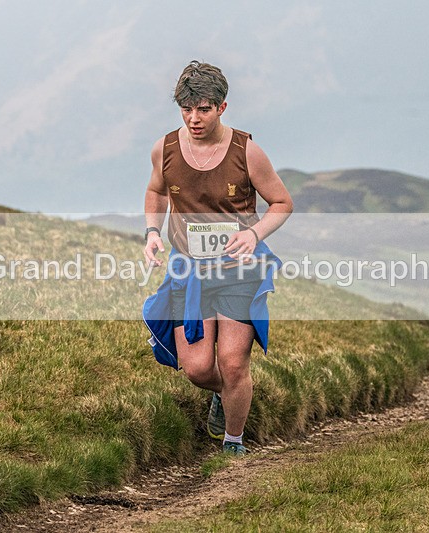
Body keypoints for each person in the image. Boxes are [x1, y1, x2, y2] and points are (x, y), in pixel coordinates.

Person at [142, 61, 293, 456]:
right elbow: (156, 192)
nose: (194, 119)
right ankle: (226, 397)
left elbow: (282, 202)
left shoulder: (247, 152)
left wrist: (253, 233)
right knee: (196, 368)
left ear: (222, 108)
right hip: (189, 271)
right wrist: (153, 233)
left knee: (232, 362)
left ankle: (233, 443)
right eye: (186, 109)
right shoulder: (166, 148)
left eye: (204, 109)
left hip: (239, 271)